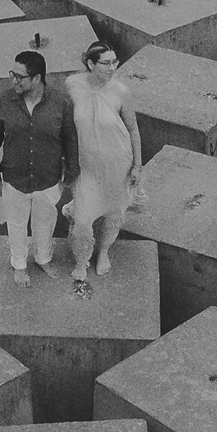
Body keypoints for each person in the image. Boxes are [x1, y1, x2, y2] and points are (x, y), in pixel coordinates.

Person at [0, 49, 75, 288]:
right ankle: (19, 264)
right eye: (12, 74)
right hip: (14, 176)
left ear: (37, 78)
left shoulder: (61, 103)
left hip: (49, 176)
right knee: (16, 222)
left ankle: (43, 258)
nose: (13, 80)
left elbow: (70, 139)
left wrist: (72, 172)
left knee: (45, 221)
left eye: (19, 77)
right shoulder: (2, 101)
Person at [63, 41, 144, 287]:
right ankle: (81, 260)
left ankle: (104, 251)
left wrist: (137, 165)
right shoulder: (72, 85)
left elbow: (132, 128)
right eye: (106, 63)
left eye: (115, 62)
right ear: (90, 63)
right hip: (86, 165)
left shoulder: (121, 91)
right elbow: (65, 123)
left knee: (113, 211)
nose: (112, 68)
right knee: (83, 220)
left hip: (118, 161)